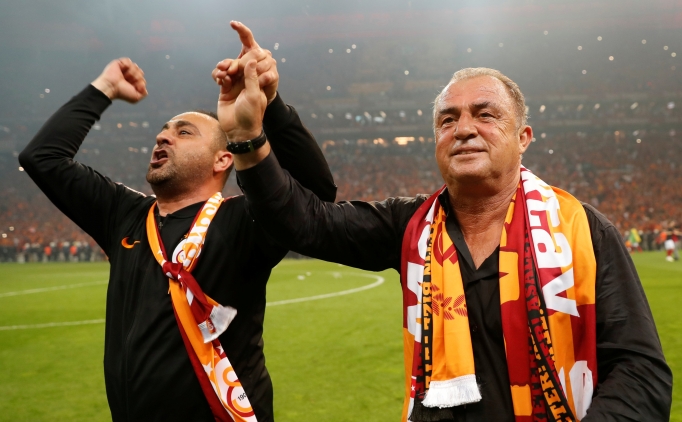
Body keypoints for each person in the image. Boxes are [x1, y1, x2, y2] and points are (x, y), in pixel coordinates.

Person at [226, 66, 672, 421]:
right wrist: (251, 134)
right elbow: (305, 223)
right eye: (447, 120)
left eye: (485, 114)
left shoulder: (583, 230)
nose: (463, 129)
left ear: (523, 138)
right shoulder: (408, 224)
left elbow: (641, 372)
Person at [19, 22, 336, 422]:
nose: (163, 138)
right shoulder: (125, 214)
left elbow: (316, 194)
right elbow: (42, 158)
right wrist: (103, 89)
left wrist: (270, 103)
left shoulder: (245, 220)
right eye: (162, 132)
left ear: (223, 159)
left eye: (184, 133)